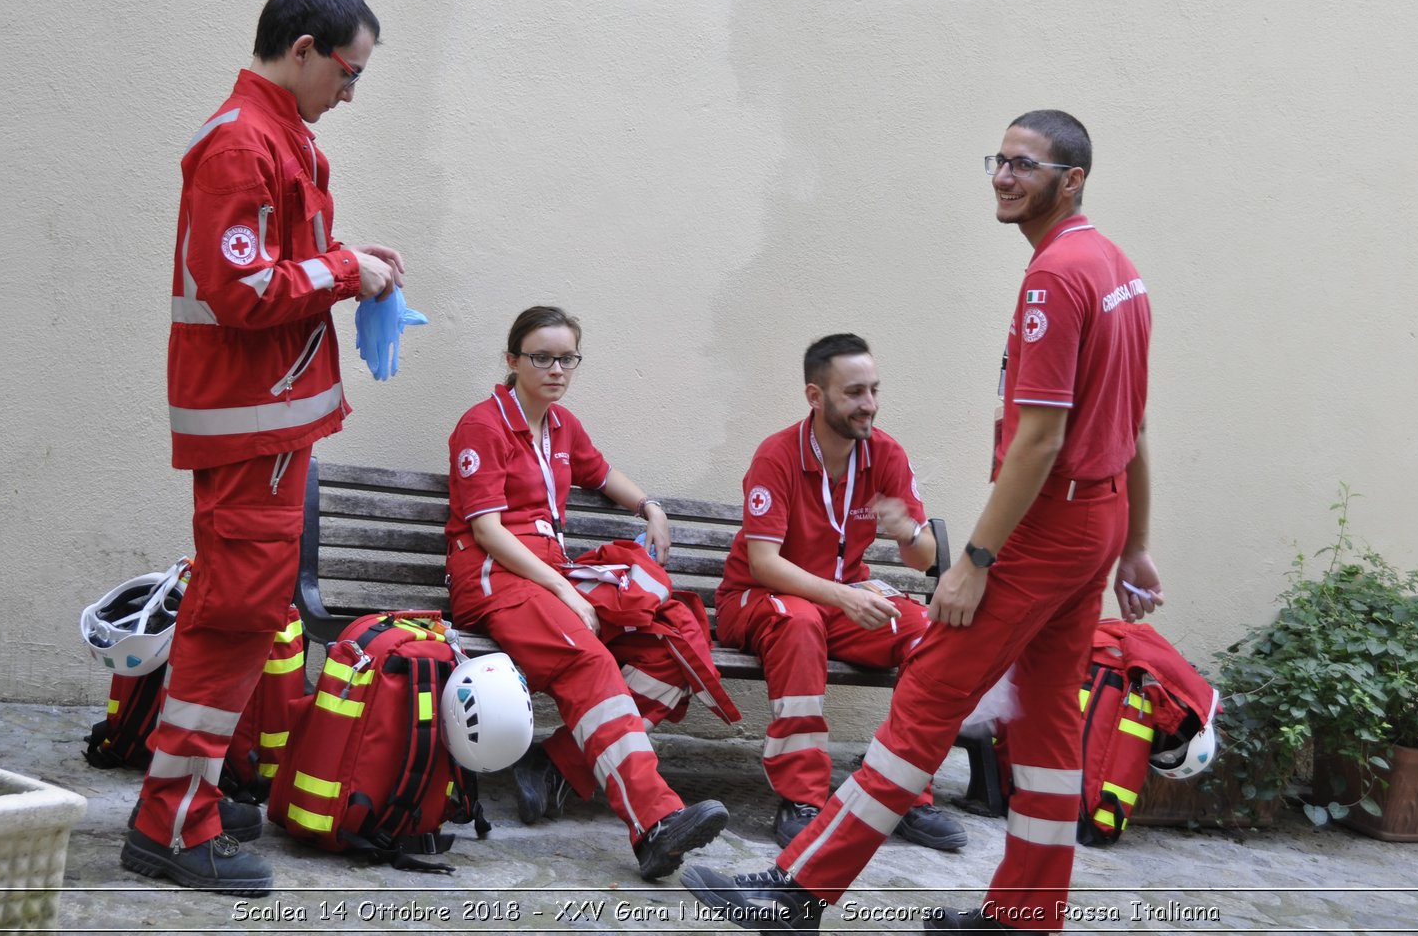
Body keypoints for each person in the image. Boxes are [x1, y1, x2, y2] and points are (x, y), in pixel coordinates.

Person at [683, 109, 1162, 933]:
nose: (1004, 177)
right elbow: (1136, 425)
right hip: (1098, 522)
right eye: (999, 159)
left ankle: (799, 892)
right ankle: (1026, 914)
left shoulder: (1055, 276)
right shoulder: (1117, 266)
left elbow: (1041, 438)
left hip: (1047, 529)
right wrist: (1135, 546)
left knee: (927, 699)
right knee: (1047, 717)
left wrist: (974, 556)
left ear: (1071, 180)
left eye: (1026, 165)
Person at [123, 0, 405, 894]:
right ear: (304, 51)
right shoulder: (243, 142)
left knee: (241, 620)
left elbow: (269, 265)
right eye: (349, 73)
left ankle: (193, 795)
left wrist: (351, 266)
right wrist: (340, 269)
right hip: (252, 432)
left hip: (265, 427)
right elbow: (240, 289)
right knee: (234, 618)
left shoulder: (276, 137)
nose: (352, 93)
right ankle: (172, 822)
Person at [445, 305, 730, 881]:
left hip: (551, 576)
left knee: (671, 642)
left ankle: (555, 766)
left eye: (566, 358)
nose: (555, 369)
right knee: (586, 656)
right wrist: (564, 591)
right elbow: (487, 531)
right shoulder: (482, 425)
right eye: (541, 357)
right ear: (512, 361)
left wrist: (650, 506)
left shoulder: (562, 425)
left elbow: (601, 474)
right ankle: (654, 823)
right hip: (496, 580)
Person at [716, 334, 967, 852]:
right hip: (757, 599)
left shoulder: (886, 453)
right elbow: (763, 564)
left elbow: (922, 558)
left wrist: (907, 532)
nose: (869, 404)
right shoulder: (777, 454)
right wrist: (843, 596)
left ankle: (898, 789)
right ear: (816, 396)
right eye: (854, 392)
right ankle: (803, 796)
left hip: (835, 600)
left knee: (927, 633)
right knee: (799, 621)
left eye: (874, 390)